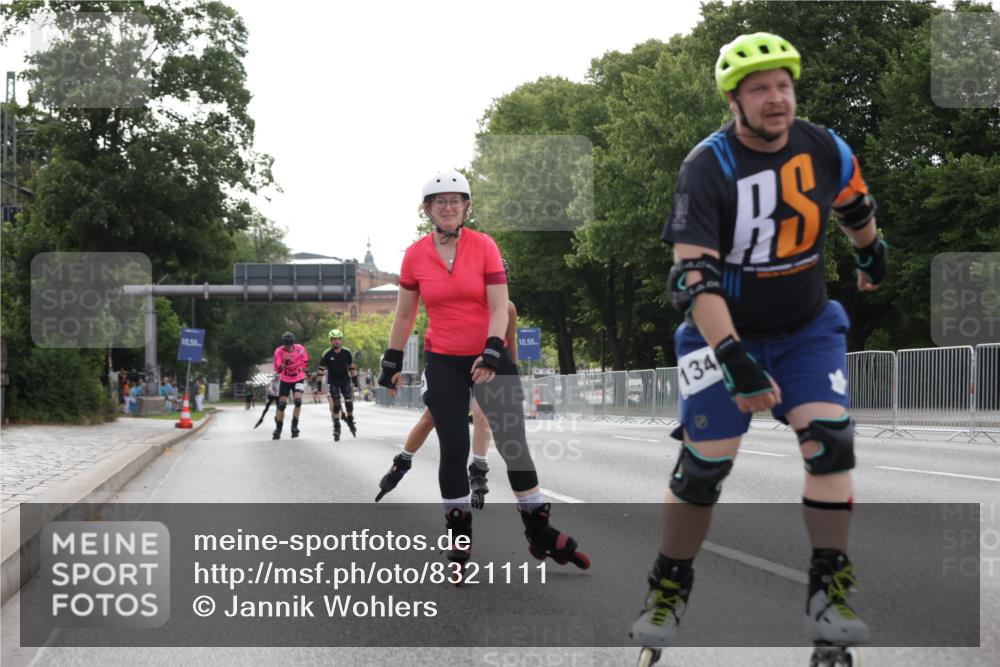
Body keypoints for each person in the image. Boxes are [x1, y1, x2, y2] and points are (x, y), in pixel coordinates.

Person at [629, 33, 886, 650]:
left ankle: (829, 590)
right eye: (760, 89)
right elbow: (695, 277)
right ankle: (669, 585)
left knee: (830, 446)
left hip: (805, 330)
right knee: (703, 469)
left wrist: (871, 253)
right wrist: (735, 358)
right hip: (720, 335)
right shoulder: (708, 166)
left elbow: (854, 204)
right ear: (733, 101)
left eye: (784, 86)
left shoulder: (824, 146)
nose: (776, 100)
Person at [377, 171, 588, 569]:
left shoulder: (485, 246)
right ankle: (459, 537)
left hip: (488, 356)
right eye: (440, 201)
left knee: (514, 446)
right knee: (454, 445)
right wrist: (391, 359)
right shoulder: (415, 255)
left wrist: (492, 353)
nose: (448, 207)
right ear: (427, 209)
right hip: (444, 360)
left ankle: (538, 531)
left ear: (466, 207)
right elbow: (405, 315)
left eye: (456, 200)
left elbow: (499, 307)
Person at [376, 259, 519, 509]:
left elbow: (510, 342)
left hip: (486, 368)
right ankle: (403, 461)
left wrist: (512, 373)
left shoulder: (506, 308)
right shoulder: (461, 302)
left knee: (482, 415)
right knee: (430, 419)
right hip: (451, 367)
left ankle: (478, 469)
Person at [317, 329, 359, 441]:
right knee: (336, 405)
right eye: (334, 339)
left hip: (345, 380)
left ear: (341, 340)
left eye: (339, 339)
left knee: (349, 403)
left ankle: (350, 418)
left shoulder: (347, 352)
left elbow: (352, 367)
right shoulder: (327, 354)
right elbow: (320, 370)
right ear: (330, 341)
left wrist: (355, 381)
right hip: (333, 381)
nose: (337, 341)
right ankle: (336, 426)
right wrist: (319, 384)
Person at [272, 331, 309, 439]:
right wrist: (284, 364)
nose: (288, 347)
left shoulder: (300, 349)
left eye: (290, 344)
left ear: (293, 343)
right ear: (283, 344)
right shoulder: (279, 351)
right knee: (282, 404)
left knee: (298, 401)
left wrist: (307, 372)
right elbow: (278, 369)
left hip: (298, 377)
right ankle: (278, 428)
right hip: (285, 378)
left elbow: (305, 362)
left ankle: (294, 426)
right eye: (286, 345)